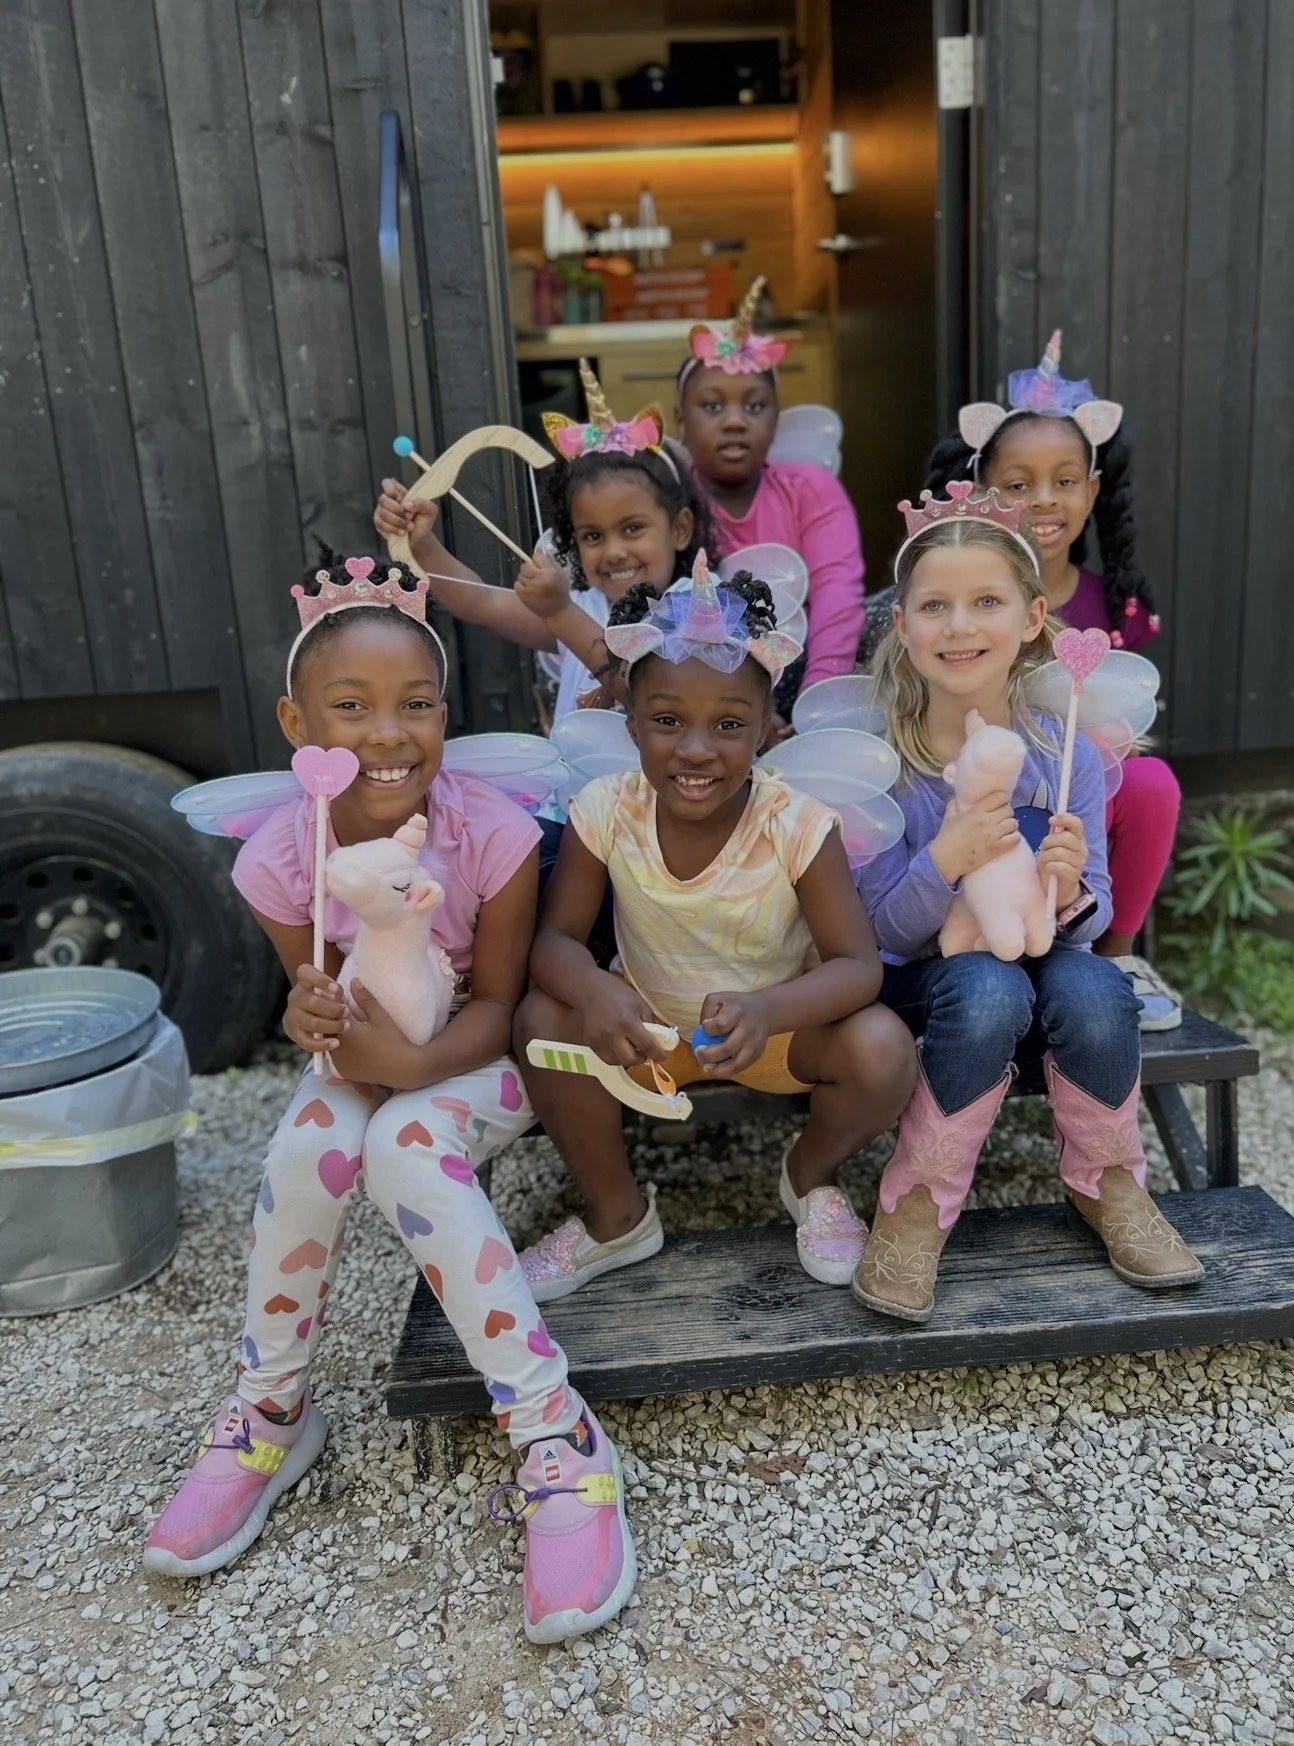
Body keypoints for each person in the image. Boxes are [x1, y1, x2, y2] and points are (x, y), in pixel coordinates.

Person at [143, 555, 634, 1645]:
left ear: (446, 715)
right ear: (295, 720)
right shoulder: (282, 858)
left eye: (417, 705)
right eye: (351, 707)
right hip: (371, 1054)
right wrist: (308, 1021)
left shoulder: (491, 834)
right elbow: (312, 996)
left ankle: (554, 1434)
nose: (389, 734)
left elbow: (504, 1006)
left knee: (409, 1145)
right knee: (306, 1152)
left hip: (476, 1058)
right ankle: (271, 1409)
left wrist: (409, 1072)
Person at [511, 553, 915, 1297]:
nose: (696, 749)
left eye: (729, 724)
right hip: (644, 1035)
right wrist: (597, 997)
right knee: (541, 1018)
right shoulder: (605, 810)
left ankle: (811, 1174)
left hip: (772, 1034)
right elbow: (556, 942)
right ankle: (616, 1216)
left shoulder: (796, 822)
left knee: (884, 1048)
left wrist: (771, 1009)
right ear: (629, 722)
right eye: (667, 721)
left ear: (767, 727)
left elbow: (858, 966)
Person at [851, 485, 1203, 1323]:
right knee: (987, 986)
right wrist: (945, 858)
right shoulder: (884, 770)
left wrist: (1075, 884)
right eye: (934, 605)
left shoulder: (1066, 753)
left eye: (986, 602)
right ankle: (918, 1202)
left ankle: (1109, 1182)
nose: (960, 626)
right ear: (901, 626)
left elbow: (1094, 917)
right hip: (932, 987)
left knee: (1095, 986)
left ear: (1034, 615)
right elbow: (880, 936)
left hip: (1046, 963)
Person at [922, 331, 1182, 1028]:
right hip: (971, 789)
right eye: (1017, 484)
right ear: (980, 491)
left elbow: (1127, 714)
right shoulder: (957, 601)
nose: (1043, 500)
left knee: (1153, 782)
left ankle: (1113, 954)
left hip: (1073, 809)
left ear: (1093, 491)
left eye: (1065, 481)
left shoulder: (1110, 602)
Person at [374, 359, 716, 725]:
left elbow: (649, 696)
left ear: (680, 529)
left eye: (632, 529)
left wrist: (559, 614)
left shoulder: (704, 609)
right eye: (593, 536)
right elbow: (479, 601)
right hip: (582, 785)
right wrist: (422, 542)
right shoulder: (579, 605)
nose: (614, 552)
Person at [675, 277, 866, 736]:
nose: (736, 421)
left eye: (755, 406)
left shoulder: (811, 489)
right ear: (682, 423)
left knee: (889, 616)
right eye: (712, 406)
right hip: (701, 679)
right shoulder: (670, 501)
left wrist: (815, 703)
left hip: (803, 669)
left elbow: (837, 595)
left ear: (777, 420)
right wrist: (745, 710)